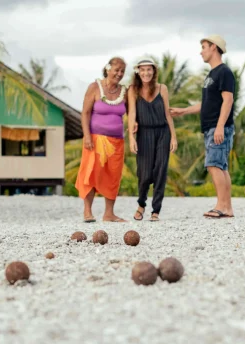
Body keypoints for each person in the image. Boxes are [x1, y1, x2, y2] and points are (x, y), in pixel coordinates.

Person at [170, 35, 235, 218]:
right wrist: (183, 111)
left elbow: (228, 100)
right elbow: (206, 104)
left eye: (204, 47)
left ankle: (222, 206)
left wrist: (220, 126)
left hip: (218, 126)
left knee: (214, 165)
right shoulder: (211, 75)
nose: (201, 51)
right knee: (220, 166)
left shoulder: (224, 72)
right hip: (211, 127)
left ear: (213, 47)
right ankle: (226, 207)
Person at [75, 57, 128, 222]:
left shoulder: (125, 91)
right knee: (90, 173)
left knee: (113, 175)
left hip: (117, 141)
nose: (119, 74)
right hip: (95, 139)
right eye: (116, 70)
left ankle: (109, 213)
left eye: (122, 71)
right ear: (107, 69)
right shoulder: (94, 87)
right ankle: (87, 212)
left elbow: (133, 113)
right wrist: (87, 135)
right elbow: (85, 113)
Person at [127, 58, 178, 222]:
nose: (146, 73)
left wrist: (173, 137)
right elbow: (132, 115)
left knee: (160, 171)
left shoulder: (162, 88)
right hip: (144, 133)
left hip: (163, 133)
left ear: (154, 72)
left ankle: (156, 210)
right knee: (144, 173)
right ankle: (141, 204)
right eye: (142, 70)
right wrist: (131, 138)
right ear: (138, 72)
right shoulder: (133, 89)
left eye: (149, 70)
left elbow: (167, 114)